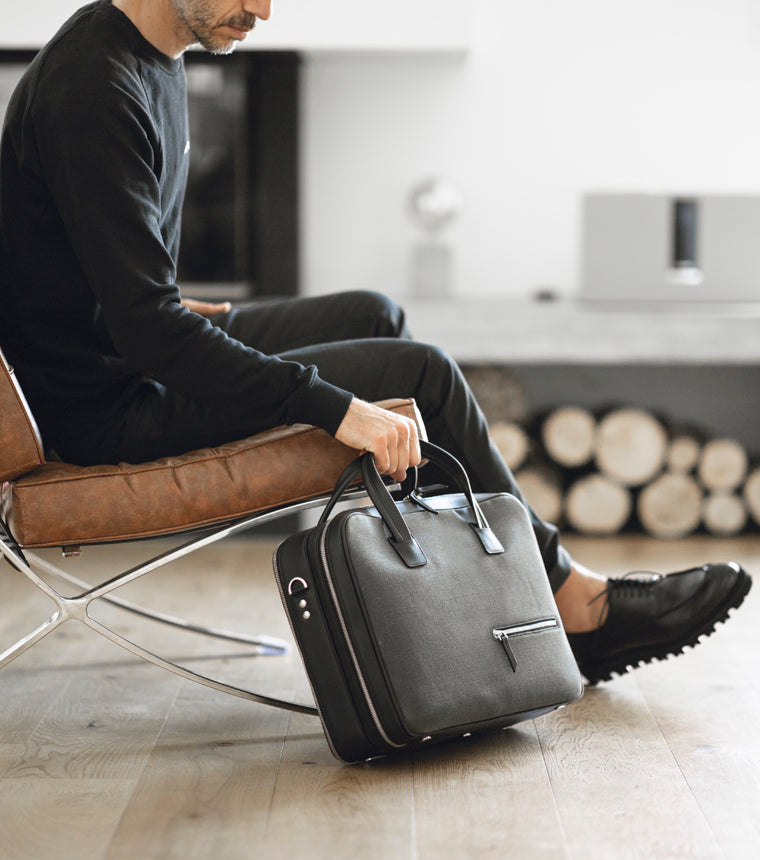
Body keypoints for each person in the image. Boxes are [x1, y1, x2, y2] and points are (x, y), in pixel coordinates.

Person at [0, 0, 751, 685]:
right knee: (420, 375)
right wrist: (338, 409)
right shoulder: (93, 88)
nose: (263, 10)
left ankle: (465, 597)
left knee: (375, 313)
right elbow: (149, 330)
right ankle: (571, 605)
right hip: (104, 408)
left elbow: (99, 273)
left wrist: (167, 305)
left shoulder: (150, 53)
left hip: (125, 354)